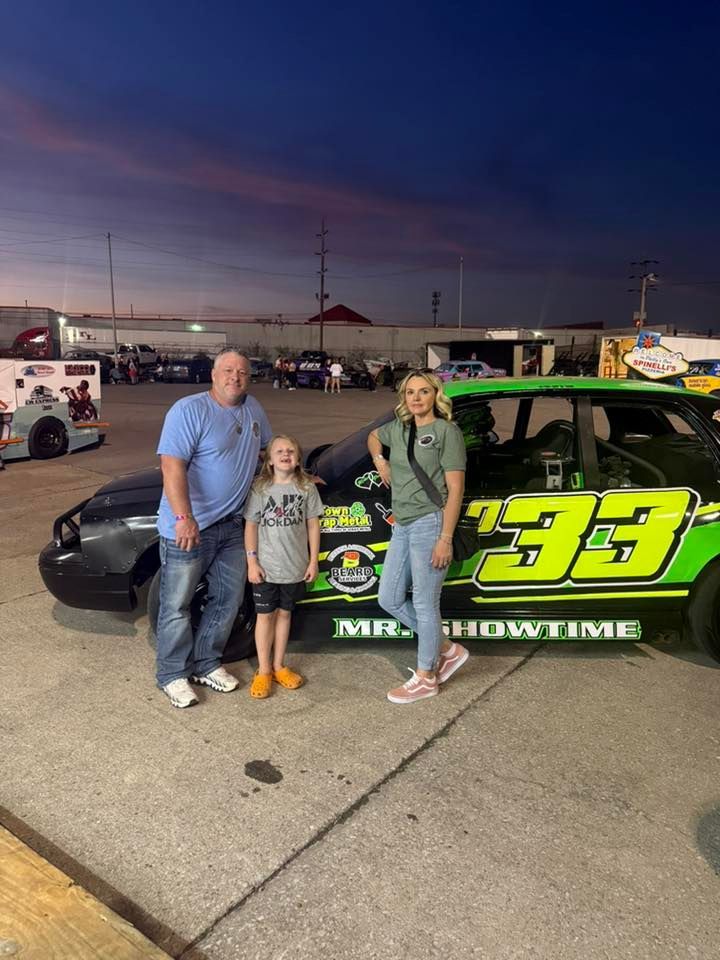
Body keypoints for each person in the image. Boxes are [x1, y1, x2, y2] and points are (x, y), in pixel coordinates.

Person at [154, 350, 272, 708]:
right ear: (213, 375)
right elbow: (171, 466)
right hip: (191, 527)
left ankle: (206, 663)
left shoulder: (254, 409)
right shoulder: (189, 410)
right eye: (227, 370)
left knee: (228, 599)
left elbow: (266, 453)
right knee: (176, 605)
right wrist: (183, 517)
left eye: (242, 372)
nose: (235, 377)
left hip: (233, 526)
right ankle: (172, 674)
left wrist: (296, 477)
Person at [367, 370, 468, 704]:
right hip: (403, 524)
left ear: (435, 395)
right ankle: (447, 649)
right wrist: (380, 460)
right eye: (410, 392)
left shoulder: (446, 431)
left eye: (423, 392)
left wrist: (446, 537)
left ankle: (427, 676)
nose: (416, 398)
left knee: (425, 602)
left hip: (431, 522)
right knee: (389, 598)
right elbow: (372, 437)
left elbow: (455, 489)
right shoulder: (399, 428)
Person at [243, 434, 323, 698]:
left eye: (291, 451)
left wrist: (313, 560)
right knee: (265, 616)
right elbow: (251, 526)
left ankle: (279, 666)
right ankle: (263, 670)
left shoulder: (306, 489)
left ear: (298, 458)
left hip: (295, 567)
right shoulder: (260, 489)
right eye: (279, 451)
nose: (286, 454)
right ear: (269, 461)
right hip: (266, 567)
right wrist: (252, 561)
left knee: (285, 615)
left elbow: (313, 524)